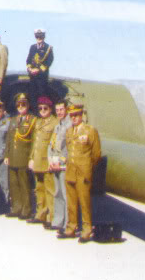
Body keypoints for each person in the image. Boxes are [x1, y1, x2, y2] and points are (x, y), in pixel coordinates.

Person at [59, 104, 102, 243]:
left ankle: (87, 229)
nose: (74, 118)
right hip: (71, 170)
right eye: (71, 116)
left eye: (76, 115)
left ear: (81, 115)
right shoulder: (69, 131)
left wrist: (87, 168)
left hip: (83, 172)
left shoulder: (90, 131)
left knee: (84, 202)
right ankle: (71, 227)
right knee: (71, 201)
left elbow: (96, 154)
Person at [5, 92, 36, 219]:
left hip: (24, 157)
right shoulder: (13, 120)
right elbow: (9, 139)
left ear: (28, 105)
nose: (21, 106)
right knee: (13, 184)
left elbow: (34, 141)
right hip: (12, 156)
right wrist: (6, 155)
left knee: (24, 184)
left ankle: (26, 210)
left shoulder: (33, 120)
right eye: (19, 104)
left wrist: (32, 158)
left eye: (24, 104)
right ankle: (16, 208)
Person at [28, 96, 57, 226]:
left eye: (45, 108)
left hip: (47, 161)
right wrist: (31, 158)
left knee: (50, 190)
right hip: (37, 160)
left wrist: (53, 161)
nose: (42, 110)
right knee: (39, 188)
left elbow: (54, 144)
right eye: (40, 108)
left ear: (50, 109)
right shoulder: (38, 122)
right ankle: (40, 214)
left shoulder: (54, 123)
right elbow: (34, 142)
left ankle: (51, 217)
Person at [48, 99, 72, 232]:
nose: (59, 112)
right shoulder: (58, 125)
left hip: (64, 165)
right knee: (57, 193)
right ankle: (58, 220)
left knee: (66, 194)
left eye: (61, 109)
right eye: (57, 110)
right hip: (55, 163)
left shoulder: (69, 126)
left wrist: (61, 162)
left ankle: (68, 224)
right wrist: (51, 160)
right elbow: (52, 145)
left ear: (66, 109)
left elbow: (68, 148)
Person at [26, 28, 54, 106]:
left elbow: (49, 61)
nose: (39, 38)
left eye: (40, 36)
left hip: (42, 77)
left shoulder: (48, 48)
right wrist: (30, 69)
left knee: (42, 97)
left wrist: (38, 70)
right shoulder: (32, 47)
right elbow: (28, 60)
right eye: (37, 36)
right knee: (32, 96)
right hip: (33, 77)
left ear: (44, 36)